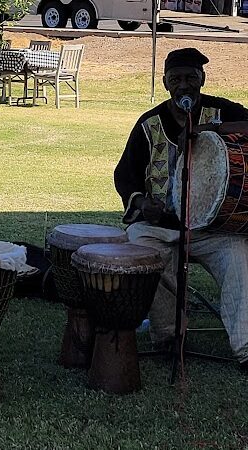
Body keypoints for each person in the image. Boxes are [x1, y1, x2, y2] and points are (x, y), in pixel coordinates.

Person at [114, 47, 248, 372]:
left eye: (190, 78)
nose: (184, 85)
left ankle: (246, 350)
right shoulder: (148, 125)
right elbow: (124, 175)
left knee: (239, 261)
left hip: (211, 228)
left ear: (202, 79)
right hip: (161, 226)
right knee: (141, 252)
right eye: (176, 79)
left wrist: (215, 131)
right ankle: (169, 337)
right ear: (165, 83)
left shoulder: (221, 111)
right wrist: (142, 203)